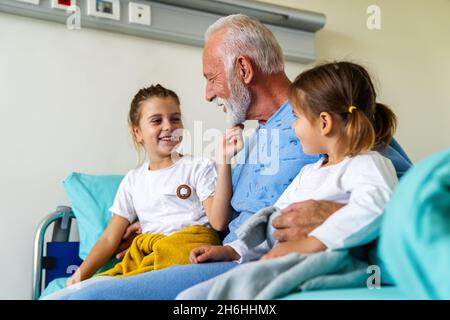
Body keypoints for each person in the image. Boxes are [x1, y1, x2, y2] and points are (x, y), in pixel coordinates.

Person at [61, 14, 412, 300]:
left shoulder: (333, 122)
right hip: (229, 255)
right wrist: (157, 218)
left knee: (86, 299)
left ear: (243, 70)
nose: (208, 92)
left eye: (212, 78)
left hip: (266, 261)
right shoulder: (249, 143)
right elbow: (219, 216)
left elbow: (414, 199)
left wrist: (335, 214)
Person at [179, 61, 399, 299]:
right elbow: (277, 222)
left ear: (324, 123)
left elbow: (376, 207)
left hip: (330, 259)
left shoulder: (368, 164)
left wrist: (313, 242)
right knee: (192, 298)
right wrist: (232, 251)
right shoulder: (309, 173)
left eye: (297, 117)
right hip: (286, 257)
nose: (292, 126)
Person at [43, 84, 241, 299]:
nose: (168, 126)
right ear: (137, 132)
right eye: (157, 120)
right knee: (70, 294)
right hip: (151, 254)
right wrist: (79, 277)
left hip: (188, 249)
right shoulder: (133, 181)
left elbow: (219, 222)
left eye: (175, 119)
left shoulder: (199, 166)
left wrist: (224, 161)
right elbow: (110, 238)